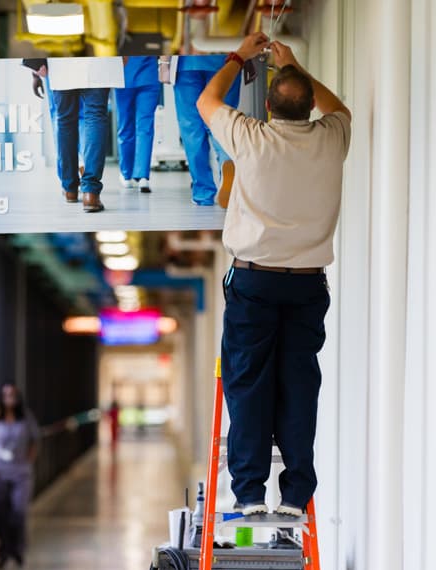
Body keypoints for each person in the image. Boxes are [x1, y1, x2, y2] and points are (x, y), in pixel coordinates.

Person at [196, 33, 352, 517]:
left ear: (266, 105)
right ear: (309, 107)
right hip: (307, 284)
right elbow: (339, 108)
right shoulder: (331, 139)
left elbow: (207, 100)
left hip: (255, 282)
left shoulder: (251, 137)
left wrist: (238, 55)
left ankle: (248, 494)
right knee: (299, 385)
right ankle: (294, 495)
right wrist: (296, 65)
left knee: (249, 384)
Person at [26, 57, 125, 213]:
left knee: (65, 119)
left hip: (62, 60)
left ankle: (70, 188)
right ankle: (90, 193)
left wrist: (34, 69)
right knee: (95, 115)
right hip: (98, 58)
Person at [160, 53, 241, 207]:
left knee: (191, 129)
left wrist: (163, 63)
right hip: (225, 60)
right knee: (222, 121)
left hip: (186, 63)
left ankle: (203, 192)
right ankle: (227, 170)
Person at [0, 382, 40, 568]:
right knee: (0, 514)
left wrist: (28, 459)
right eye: (6, 395)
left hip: (20, 472)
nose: (9, 399)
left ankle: (17, 548)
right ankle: (4, 549)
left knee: (18, 512)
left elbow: (35, 440)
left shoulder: (26, 417)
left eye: (12, 395)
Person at [114, 56, 162, 193]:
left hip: (123, 73)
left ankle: (127, 174)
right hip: (149, 73)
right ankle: (142, 177)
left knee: (125, 125)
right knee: (145, 127)